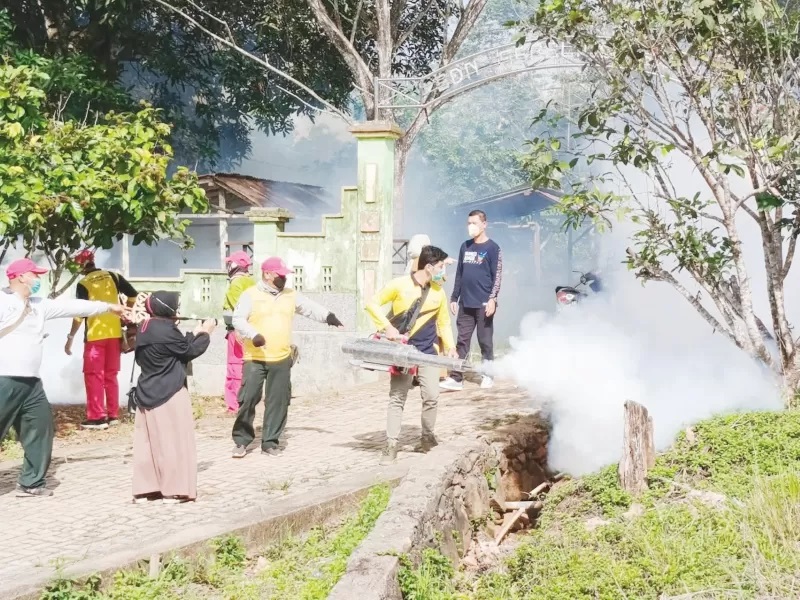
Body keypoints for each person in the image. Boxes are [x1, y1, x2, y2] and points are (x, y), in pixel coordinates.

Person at [0, 258, 127, 497]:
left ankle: (31, 482)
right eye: (34, 275)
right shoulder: (3, 302)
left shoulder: (39, 305)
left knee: (41, 428)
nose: (38, 279)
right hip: (4, 379)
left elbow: (75, 307)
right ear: (19, 277)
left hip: (31, 383)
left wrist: (109, 307)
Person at [231, 257, 344, 458]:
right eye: (280, 275)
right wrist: (253, 335)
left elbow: (310, 308)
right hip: (255, 357)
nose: (284, 278)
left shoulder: (291, 295)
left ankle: (270, 442)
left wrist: (329, 317)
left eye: (285, 275)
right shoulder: (251, 295)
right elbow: (238, 319)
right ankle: (241, 440)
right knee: (248, 398)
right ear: (267, 274)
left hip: (281, 357)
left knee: (278, 401)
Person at [365, 245, 457, 465]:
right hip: (403, 352)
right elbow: (371, 304)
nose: (444, 270)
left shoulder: (438, 292)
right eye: (441, 266)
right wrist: (387, 327)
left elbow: (443, 322)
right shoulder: (399, 285)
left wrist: (451, 347)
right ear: (428, 266)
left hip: (428, 352)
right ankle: (391, 445)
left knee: (432, 397)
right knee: (397, 398)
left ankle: (427, 437)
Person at [131, 291, 215, 504]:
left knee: (147, 444)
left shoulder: (145, 327)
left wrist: (193, 333)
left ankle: (147, 489)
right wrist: (205, 333)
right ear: (166, 308)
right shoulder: (167, 330)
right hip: (169, 392)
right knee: (174, 442)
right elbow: (189, 350)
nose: (177, 310)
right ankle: (174, 490)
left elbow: (173, 347)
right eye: (175, 306)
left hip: (146, 391)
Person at [64, 250, 138, 430]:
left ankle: (97, 417)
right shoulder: (113, 276)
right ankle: (113, 415)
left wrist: (70, 337)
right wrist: (125, 311)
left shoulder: (83, 283)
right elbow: (133, 295)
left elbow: (80, 314)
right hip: (114, 334)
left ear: (81, 266)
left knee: (94, 376)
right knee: (111, 375)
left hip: (95, 337)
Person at [441, 210, 503, 392]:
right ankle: (456, 377)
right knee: (462, 341)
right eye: (469, 223)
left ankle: (487, 374)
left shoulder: (493, 248)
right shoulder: (465, 246)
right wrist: (454, 297)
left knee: (485, 342)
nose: (471, 226)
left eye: (474, 223)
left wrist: (493, 299)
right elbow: (459, 273)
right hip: (465, 303)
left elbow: (497, 276)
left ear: (484, 224)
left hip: (484, 304)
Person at [222, 251, 255, 413]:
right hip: (249, 331)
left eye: (230, 263)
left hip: (237, 332)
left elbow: (239, 311)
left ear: (236, 265)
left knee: (235, 367)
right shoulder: (251, 282)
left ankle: (234, 405)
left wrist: (238, 330)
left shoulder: (237, 283)